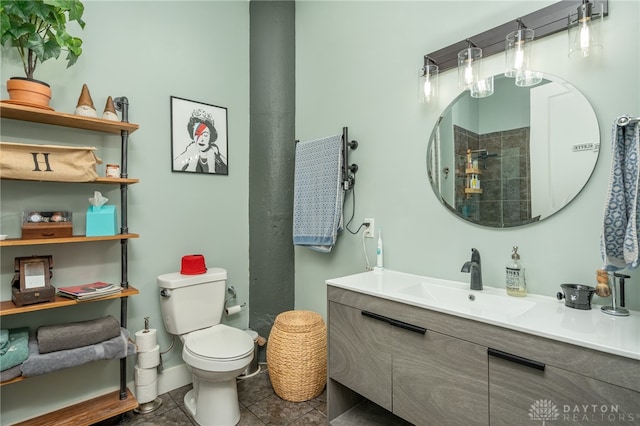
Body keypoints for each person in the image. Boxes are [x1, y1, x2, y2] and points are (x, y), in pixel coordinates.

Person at [173, 109, 227, 174]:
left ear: (210, 137)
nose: (201, 139)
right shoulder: (187, 157)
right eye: (197, 134)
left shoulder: (218, 160)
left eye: (205, 135)